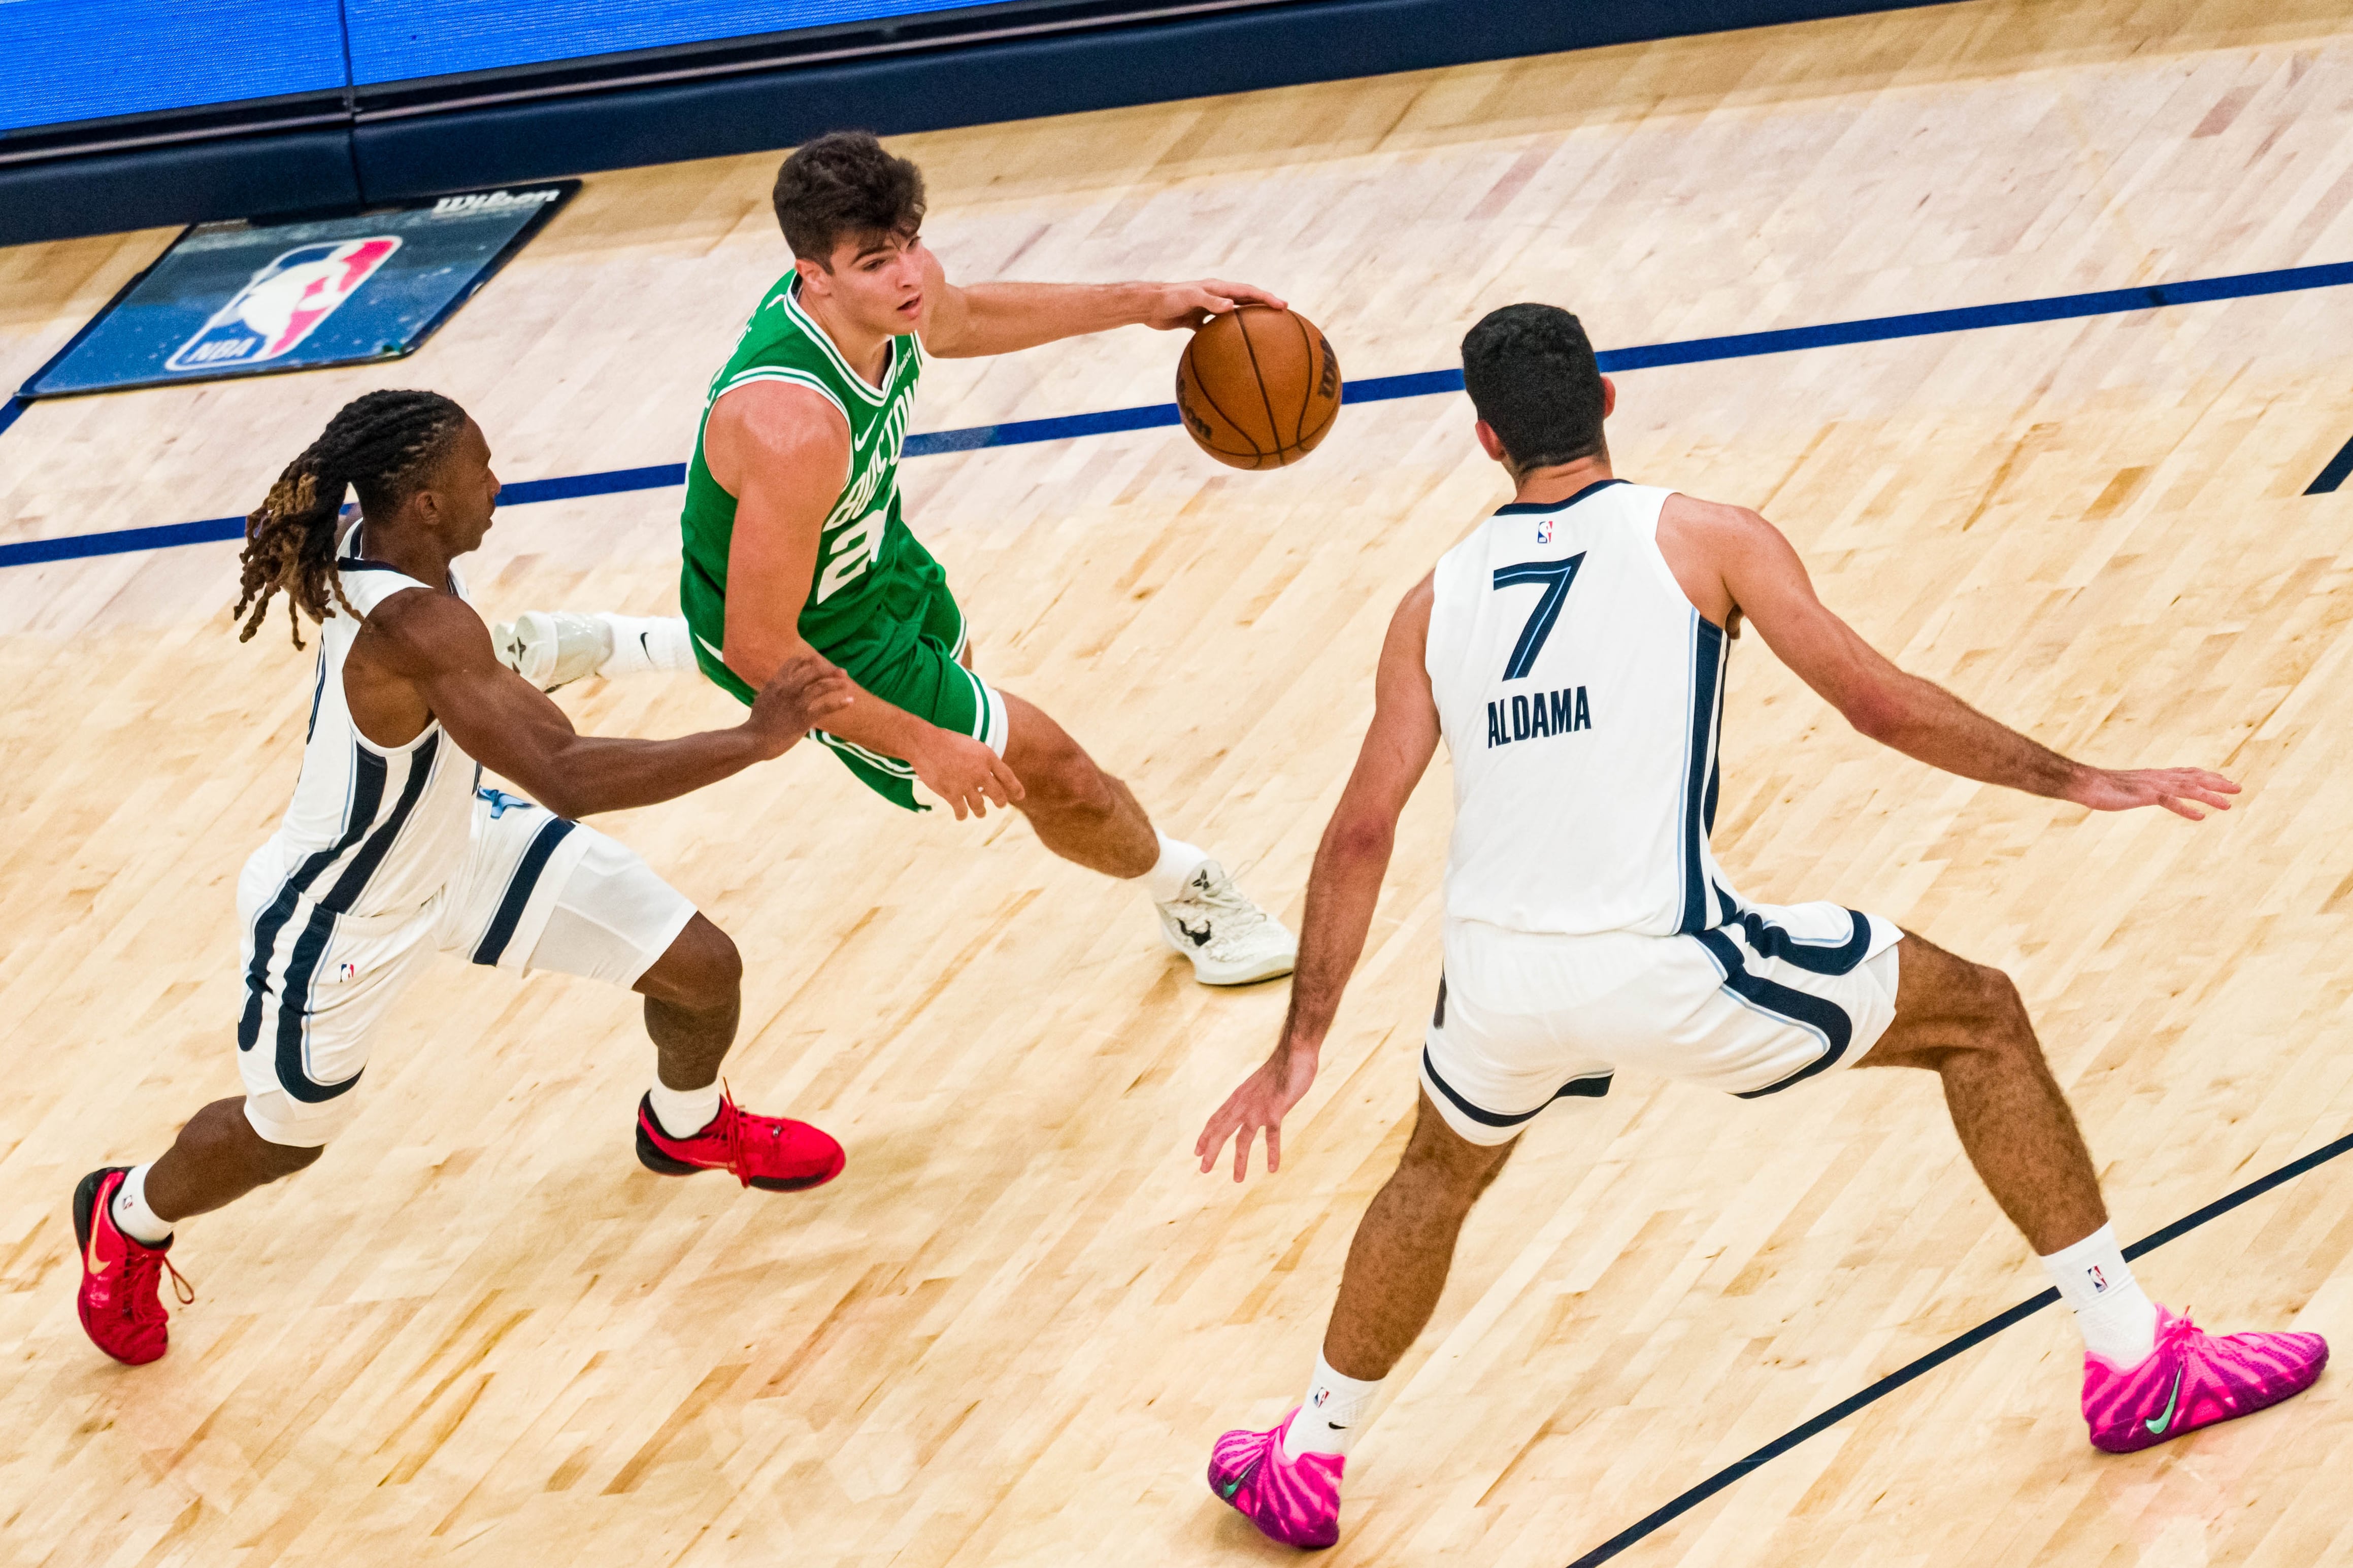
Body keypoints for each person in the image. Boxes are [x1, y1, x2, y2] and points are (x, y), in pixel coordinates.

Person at [1191, 306, 2329, 1548]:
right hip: (1667, 957)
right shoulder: (1706, 538)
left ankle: (1307, 1450)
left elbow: (1361, 831)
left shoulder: (1432, 601)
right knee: (1982, 1020)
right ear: (1608, 401)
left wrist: (1300, 1045)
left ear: (1483, 440)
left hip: (1494, 980)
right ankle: (2131, 1359)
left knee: (1435, 1173)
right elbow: (1877, 704)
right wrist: (2081, 779)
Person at [75, 389, 856, 1367]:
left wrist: (700, 645)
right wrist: (753, 737)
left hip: (464, 843)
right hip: (344, 914)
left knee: (701, 965)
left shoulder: (390, 549)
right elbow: (566, 775)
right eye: (480, 468)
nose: (499, 482)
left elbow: (528, 654)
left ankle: (686, 1126)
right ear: (429, 503)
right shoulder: (411, 624)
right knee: (287, 1134)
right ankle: (129, 1214)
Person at [494, 130, 1295, 985]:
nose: (911, 274)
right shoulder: (794, 425)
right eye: (877, 260)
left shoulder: (897, 297)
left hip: (869, 553)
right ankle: (1191, 891)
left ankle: (607, 642)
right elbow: (760, 647)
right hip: (815, 635)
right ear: (815, 276)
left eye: (912, 242)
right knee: (1056, 774)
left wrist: (1149, 300)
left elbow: (967, 317)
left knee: (976, 695)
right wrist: (923, 740)